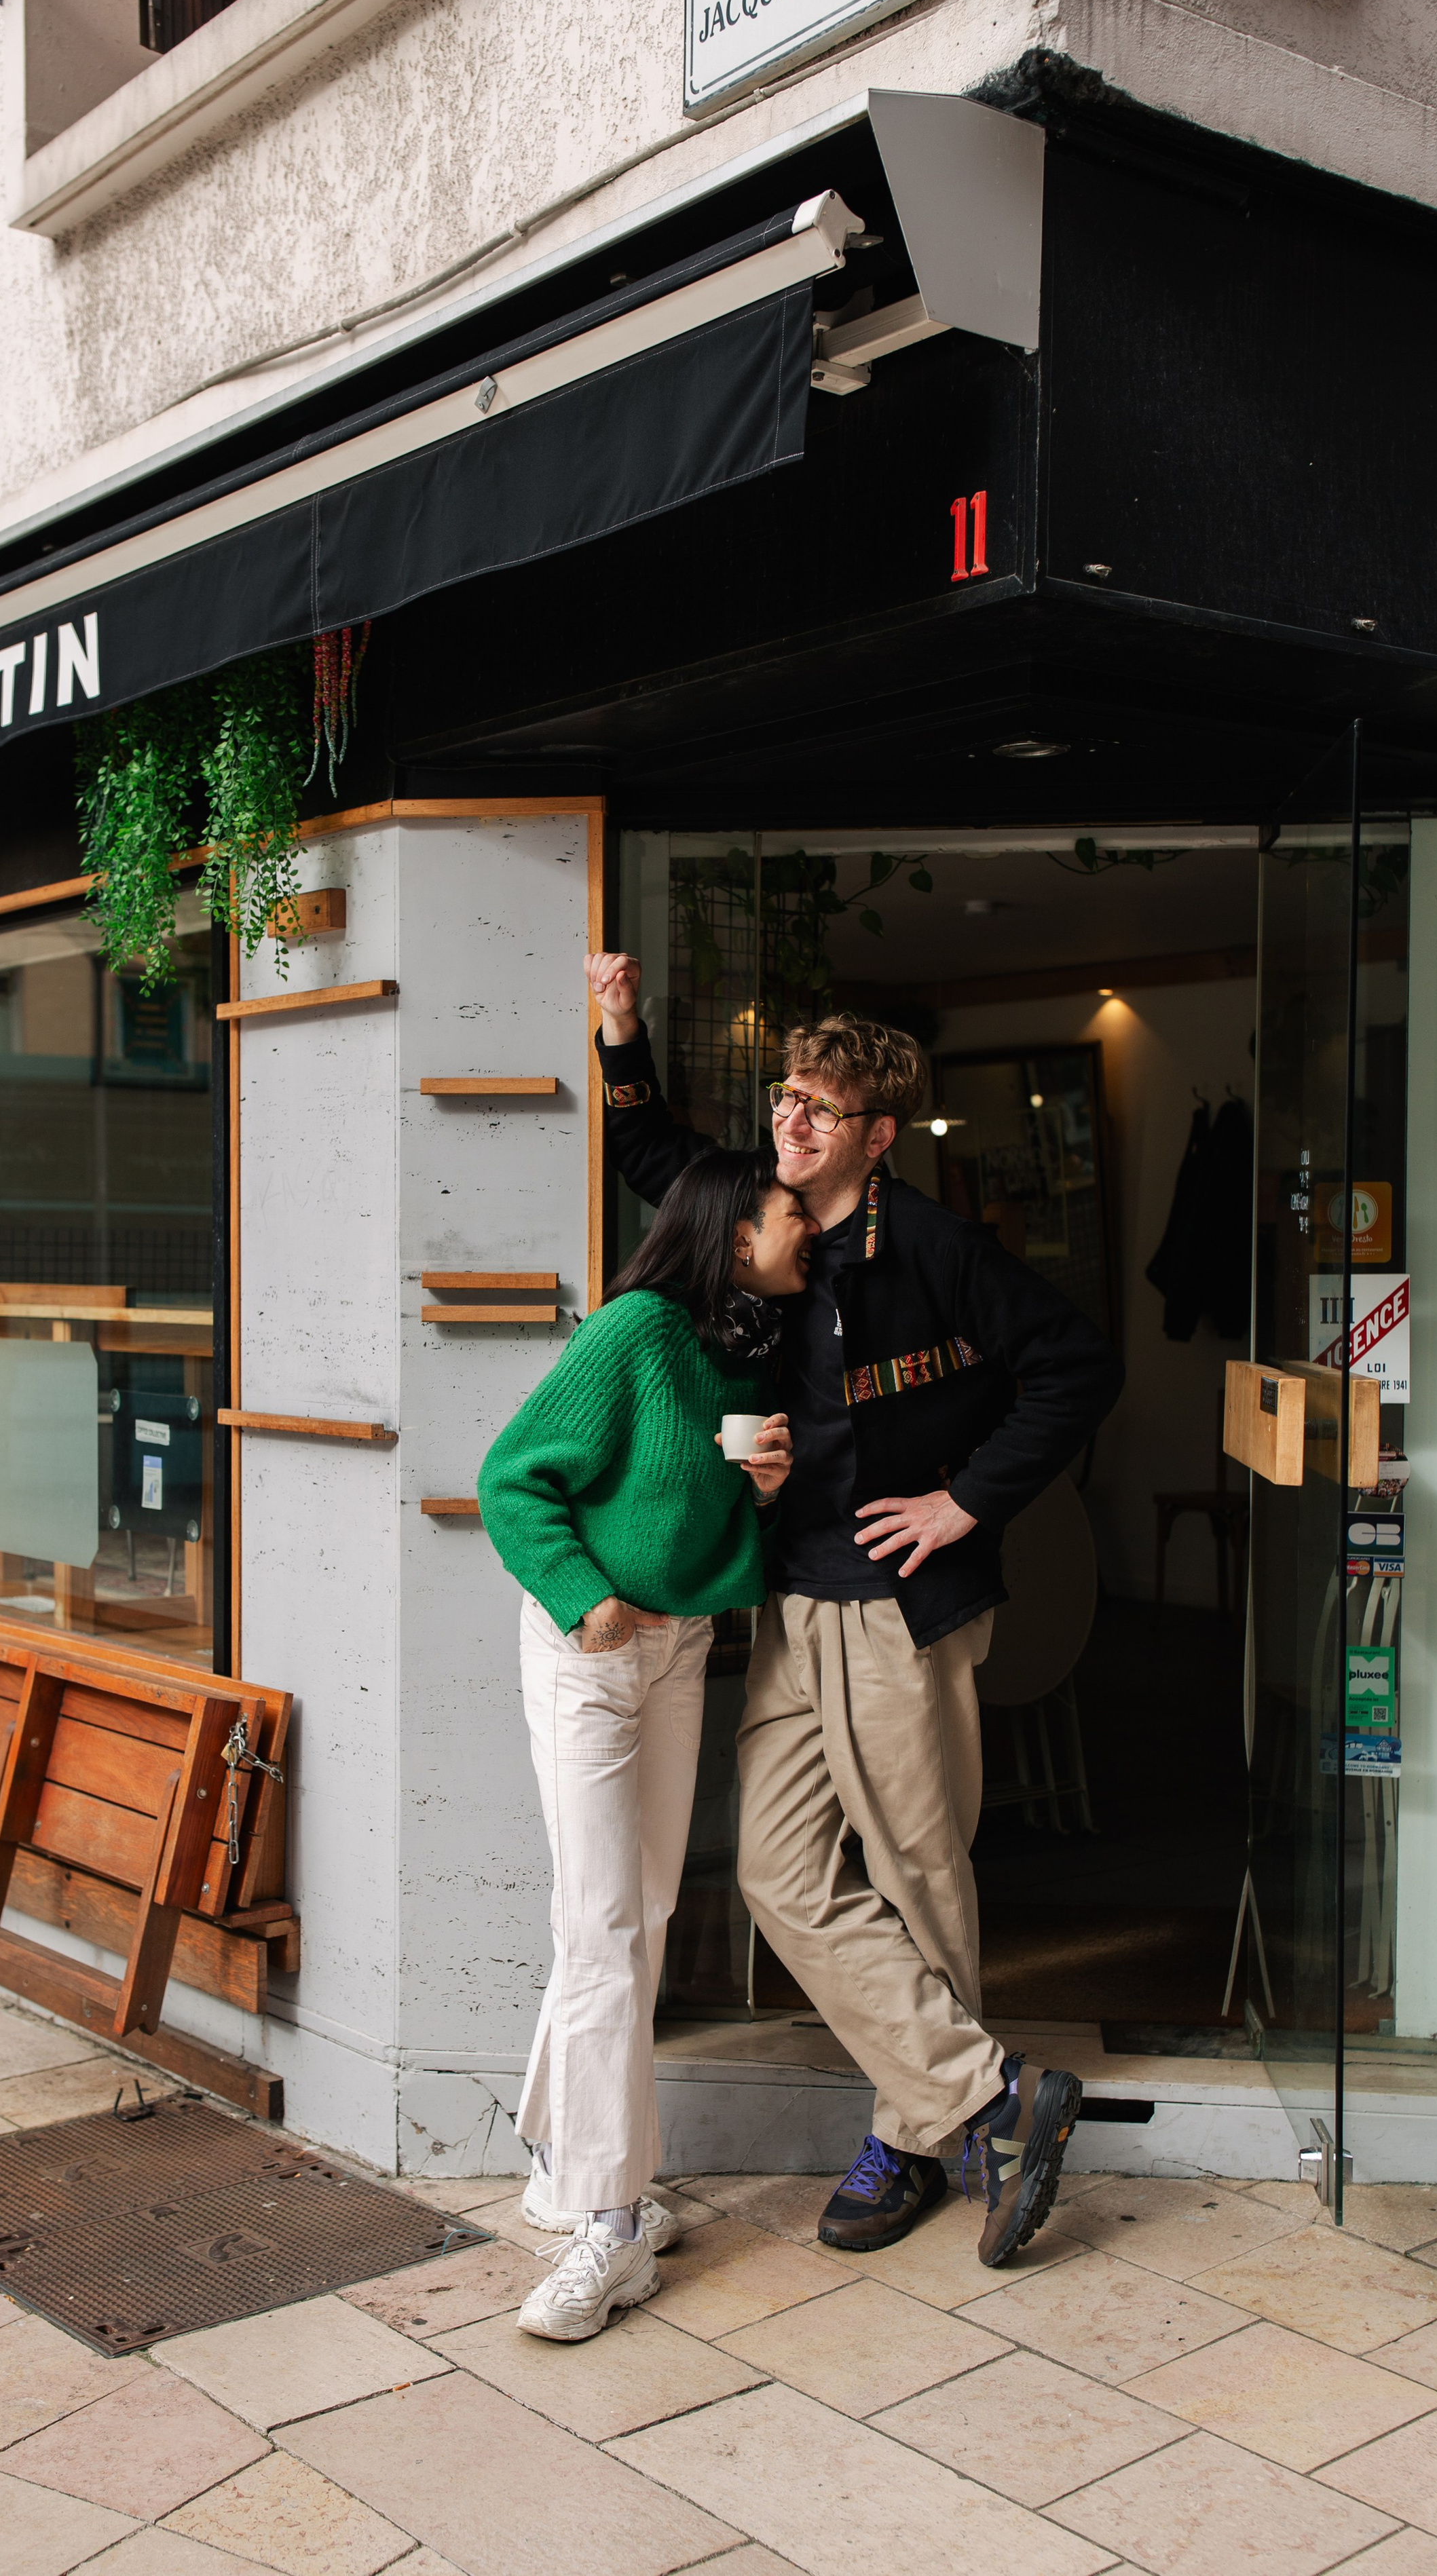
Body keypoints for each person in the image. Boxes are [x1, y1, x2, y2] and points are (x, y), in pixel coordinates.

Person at [585, 955, 1124, 2267]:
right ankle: (988, 2099)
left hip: (901, 1606)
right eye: (786, 1096)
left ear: (878, 1135)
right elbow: (650, 1147)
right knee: (776, 1872)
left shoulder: (935, 1247)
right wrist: (621, 1033)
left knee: (920, 1872)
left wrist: (966, 1503)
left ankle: (918, 2143)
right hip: (790, 1603)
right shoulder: (758, 1219)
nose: (792, 1121)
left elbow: (1076, 1366)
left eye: (821, 1108)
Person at [478, 1147, 810, 2341]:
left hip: (675, 1655)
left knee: (636, 1912)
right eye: (786, 1215)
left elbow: (689, 1512)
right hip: (590, 1650)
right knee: (607, 1924)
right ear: (731, 1232)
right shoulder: (630, 1332)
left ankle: (562, 2152)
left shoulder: (739, 1348)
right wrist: (583, 1598)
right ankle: (609, 2228)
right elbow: (512, 1481)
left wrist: (760, 1494)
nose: (804, 1228)